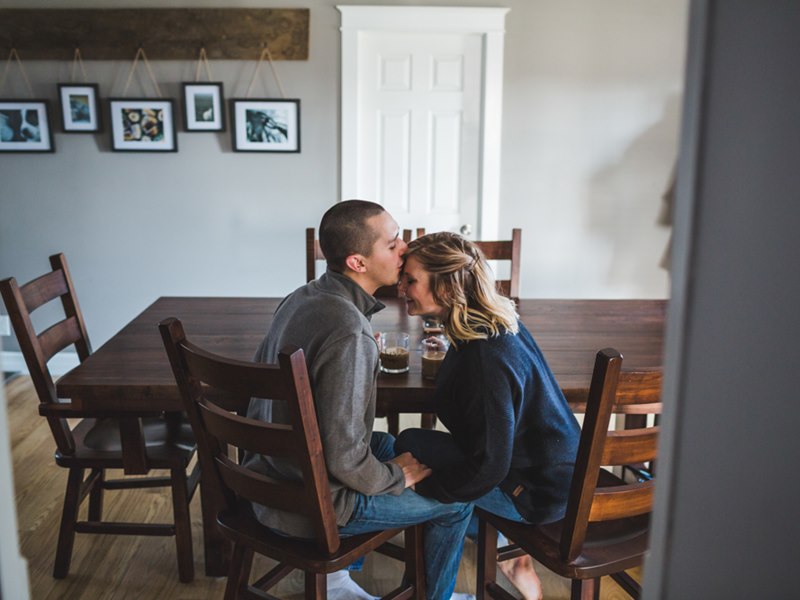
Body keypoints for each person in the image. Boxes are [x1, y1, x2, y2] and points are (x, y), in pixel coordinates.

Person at [243, 201, 473, 600]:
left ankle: (334, 586)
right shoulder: (349, 330)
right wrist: (395, 478)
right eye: (393, 243)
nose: (405, 248)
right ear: (357, 262)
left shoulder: (303, 296)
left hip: (266, 478)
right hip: (312, 505)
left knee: (394, 445)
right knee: (457, 501)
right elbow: (345, 458)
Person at [395, 232, 581, 600]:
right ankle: (500, 554)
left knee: (416, 453)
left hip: (535, 493)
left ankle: (451, 580)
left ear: (446, 289)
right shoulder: (494, 322)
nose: (401, 287)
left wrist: (434, 488)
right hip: (553, 473)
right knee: (418, 448)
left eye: (411, 280)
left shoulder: (484, 360)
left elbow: (489, 467)